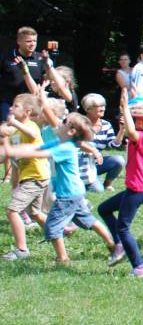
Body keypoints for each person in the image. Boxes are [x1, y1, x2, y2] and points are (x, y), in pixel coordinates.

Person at [2, 112, 117, 264]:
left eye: (64, 121)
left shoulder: (66, 147)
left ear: (71, 131)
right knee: (88, 220)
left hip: (68, 194)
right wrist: (13, 147)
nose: (59, 123)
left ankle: (62, 258)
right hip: (75, 191)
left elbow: (41, 153)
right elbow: (36, 148)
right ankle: (113, 245)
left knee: (52, 226)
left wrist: (9, 148)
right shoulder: (59, 143)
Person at [99, 93, 143, 278]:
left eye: (133, 121)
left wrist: (126, 108)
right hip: (137, 188)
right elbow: (130, 131)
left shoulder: (142, 136)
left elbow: (132, 132)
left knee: (123, 227)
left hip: (138, 190)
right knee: (104, 209)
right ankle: (119, 244)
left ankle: (140, 267)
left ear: (141, 123)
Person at [1, 93, 48, 260]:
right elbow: (9, 154)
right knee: (35, 213)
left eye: (15, 106)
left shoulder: (31, 126)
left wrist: (13, 123)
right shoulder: (16, 133)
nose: (11, 109)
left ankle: (21, 250)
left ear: (28, 111)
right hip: (31, 177)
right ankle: (57, 232)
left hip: (35, 176)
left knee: (12, 211)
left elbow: (34, 136)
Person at [79, 94, 125, 191]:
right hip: (80, 165)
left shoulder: (106, 125)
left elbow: (113, 145)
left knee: (119, 160)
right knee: (97, 190)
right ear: (88, 109)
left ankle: (107, 184)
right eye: (98, 106)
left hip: (96, 163)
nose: (102, 108)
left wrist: (122, 130)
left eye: (103, 105)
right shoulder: (79, 123)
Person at [0, 27, 45, 121]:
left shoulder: (41, 59)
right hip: (9, 103)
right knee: (7, 131)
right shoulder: (6, 57)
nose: (32, 44)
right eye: (28, 41)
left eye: (34, 41)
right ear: (19, 41)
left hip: (31, 105)